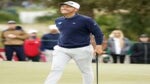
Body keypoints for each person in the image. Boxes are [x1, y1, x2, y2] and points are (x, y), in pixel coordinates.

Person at [44, 1, 103, 84]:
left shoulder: (86, 20)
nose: (64, 7)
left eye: (68, 6)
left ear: (75, 9)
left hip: (82, 49)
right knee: (56, 69)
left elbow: (98, 33)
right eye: (63, 6)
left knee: (86, 71)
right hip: (62, 49)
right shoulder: (58, 20)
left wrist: (98, 46)